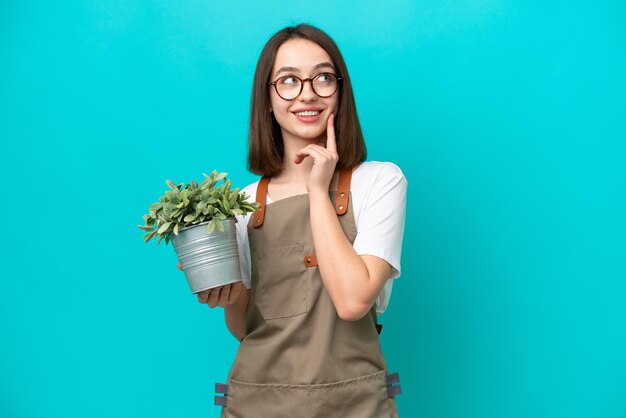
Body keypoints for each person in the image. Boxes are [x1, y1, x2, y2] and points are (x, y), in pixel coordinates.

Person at [191, 24, 407, 417]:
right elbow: (245, 329)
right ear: (267, 99)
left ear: (340, 92)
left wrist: (317, 192)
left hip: (353, 405)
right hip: (258, 402)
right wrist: (230, 296)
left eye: (323, 78)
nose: (307, 93)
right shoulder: (243, 203)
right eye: (288, 80)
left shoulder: (379, 181)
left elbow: (353, 300)